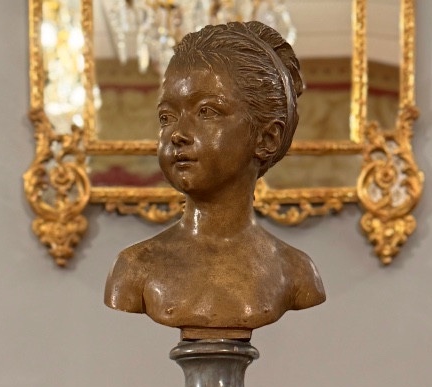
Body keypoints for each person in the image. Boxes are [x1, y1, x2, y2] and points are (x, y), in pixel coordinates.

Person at [104, 21, 325, 336]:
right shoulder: (135, 268)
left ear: (267, 139)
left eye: (207, 112)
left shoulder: (296, 272)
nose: (178, 134)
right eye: (166, 117)